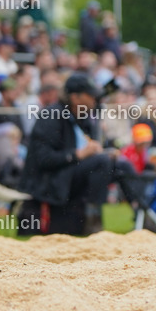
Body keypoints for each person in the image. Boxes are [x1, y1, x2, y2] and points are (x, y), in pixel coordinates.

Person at [19, 74, 125, 234]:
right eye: (91, 95)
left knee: (121, 164)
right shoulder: (51, 115)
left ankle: (145, 217)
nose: (95, 100)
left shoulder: (82, 117)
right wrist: (79, 154)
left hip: (69, 174)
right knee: (102, 162)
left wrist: (101, 151)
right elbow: (43, 159)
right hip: (50, 179)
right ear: (75, 98)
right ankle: (92, 222)